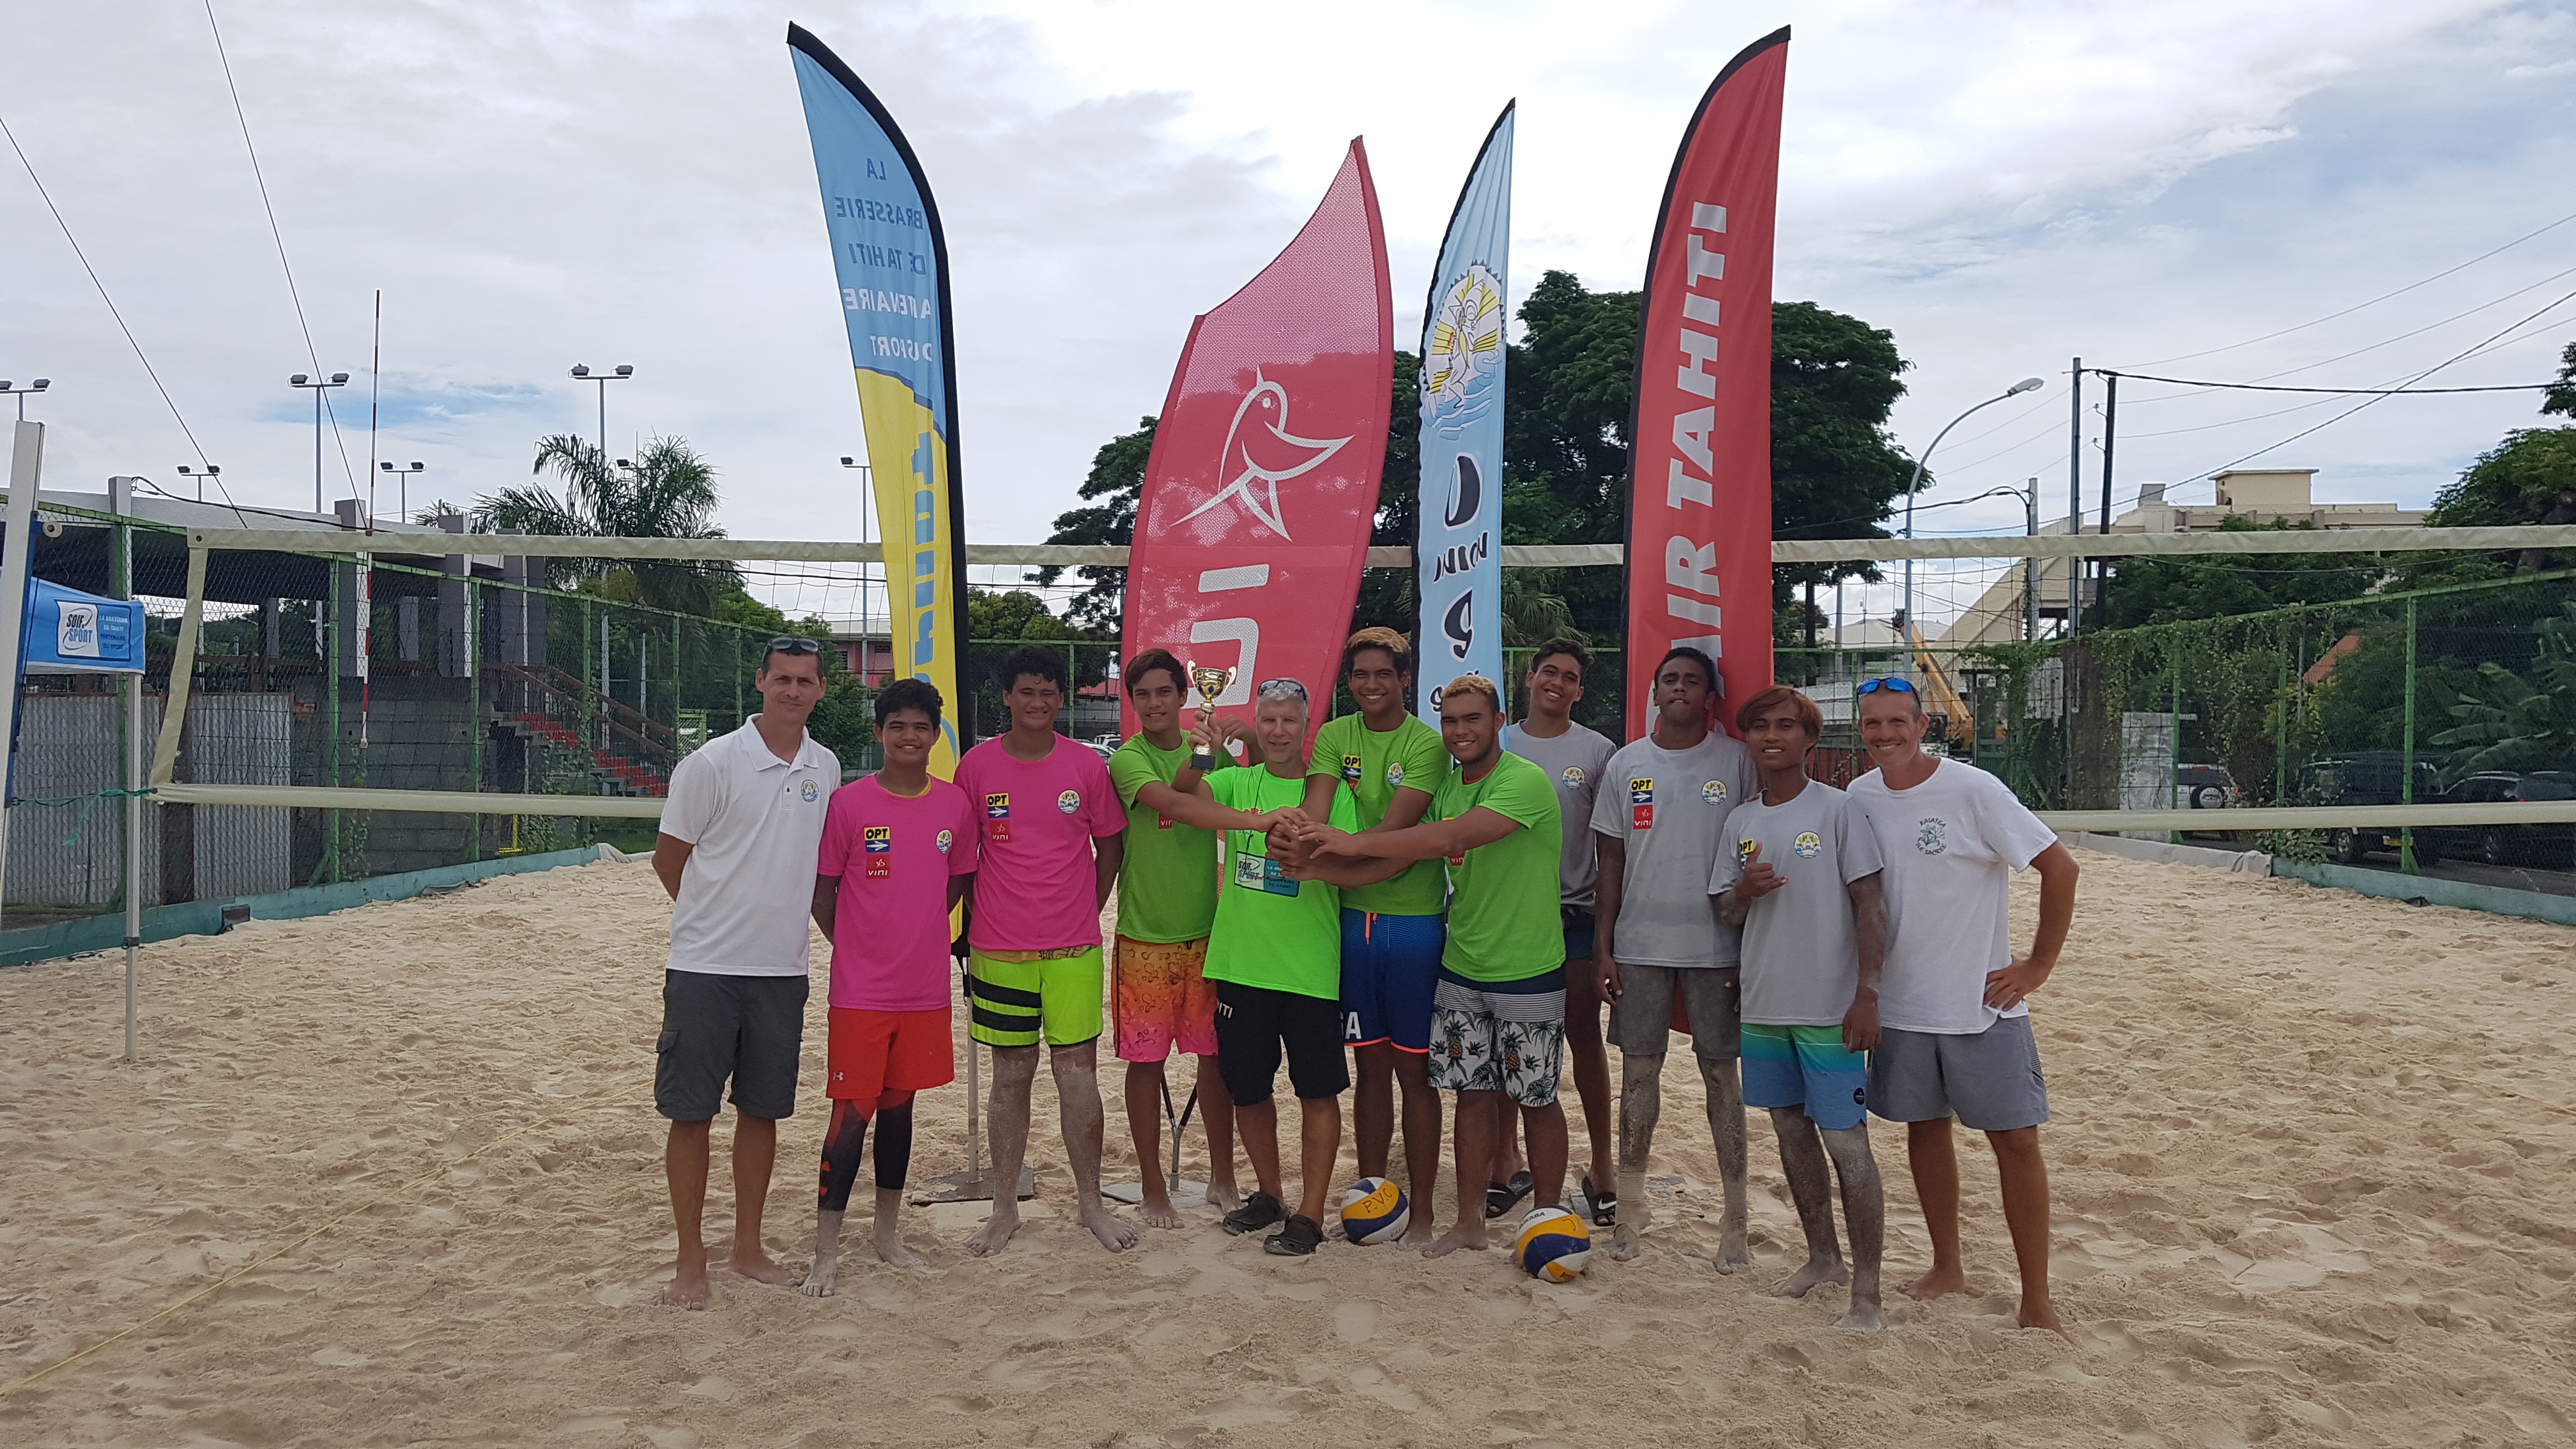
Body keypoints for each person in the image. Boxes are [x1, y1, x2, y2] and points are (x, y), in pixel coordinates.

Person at [1288, 675, 1565, 1259]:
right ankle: (1468, 1224)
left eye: (1472, 719)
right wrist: (1318, 871)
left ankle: (1547, 1218)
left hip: (1527, 967)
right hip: (1462, 962)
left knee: (1536, 1097)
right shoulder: (1446, 789)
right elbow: (1405, 856)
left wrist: (1349, 843)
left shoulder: (1524, 781)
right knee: (1471, 1095)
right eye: (1451, 721)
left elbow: (1447, 840)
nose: (1460, 731)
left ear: (1498, 720)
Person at [1847, 676, 2078, 1335]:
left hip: (1981, 1002)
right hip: (1903, 1004)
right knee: (1924, 1130)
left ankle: (2037, 1298)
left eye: (1898, 722)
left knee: (2016, 1142)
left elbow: (2060, 869)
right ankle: (1947, 1267)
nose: (1886, 734)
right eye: (1872, 724)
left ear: (1925, 726)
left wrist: (2037, 966)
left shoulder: (1973, 790)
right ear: (1859, 731)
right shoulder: (1858, 798)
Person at [648, 636, 839, 1308]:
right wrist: (713, 924)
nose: (792, 690)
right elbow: (668, 862)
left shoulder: (826, 767)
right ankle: (689, 1259)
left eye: (805, 680)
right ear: (759, 683)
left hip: (782, 972)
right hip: (705, 968)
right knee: (690, 1113)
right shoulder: (711, 764)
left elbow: (819, 875)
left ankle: (748, 1247)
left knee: (763, 1112)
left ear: (820, 691)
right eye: (781, 678)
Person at [1153, 680, 1356, 1254]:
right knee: (1249, 1091)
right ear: (1257, 724)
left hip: (1309, 968)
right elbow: (1182, 796)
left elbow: (1352, 851)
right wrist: (1203, 749)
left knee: (1317, 1093)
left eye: (1289, 721)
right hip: (1241, 966)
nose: (1278, 732)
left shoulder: (1330, 792)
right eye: (1268, 720)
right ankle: (1270, 1195)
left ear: (1305, 726)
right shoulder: (1239, 781)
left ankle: (1311, 1214)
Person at [1711, 684, 1890, 1331]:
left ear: (1810, 739)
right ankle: (1823, 1259)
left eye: (1786, 726)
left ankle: (1867, 1294)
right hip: (1763, 1004)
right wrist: (1744, 890)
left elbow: (1871, 904)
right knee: (1790, 1136)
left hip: (1829, 1008)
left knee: (1848, 1146)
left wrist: (1868, 991)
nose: (1772, 737)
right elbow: (1725, 912)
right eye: (1760, 727)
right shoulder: (1740, 821)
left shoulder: (1838, 811)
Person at [953, 645, 1133, 1256]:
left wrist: (1089, 904)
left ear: (1062, 699)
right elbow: (962, 859)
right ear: (1006, 697)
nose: (1038, 702)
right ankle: (1004, 1208)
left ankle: (1091, 1204)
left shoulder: (1087, 766)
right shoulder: (975, 767)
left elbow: (1111, 845)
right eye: (1026, 691)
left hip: (1073, 947)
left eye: (1049, 692)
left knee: (1078, 1076)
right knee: (1011, 1078)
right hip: (998, 949)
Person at [799, 678, 976, 1296]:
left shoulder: (954, 806)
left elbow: (954, 888)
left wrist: (919, 936)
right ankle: (826, 1250)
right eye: (897, 725)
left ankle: (886, 1235)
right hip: (861, 992)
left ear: (935, 736)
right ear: (880, 732)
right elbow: (823, 894)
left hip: (923, 989)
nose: (909, 736)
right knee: (850, 1117)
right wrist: (857, 947)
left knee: (901, 1113)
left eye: (920, 727)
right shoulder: (850, 804)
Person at [1590, 647, 1759, 1266]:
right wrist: (1604, 947)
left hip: (1718, 948)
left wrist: (1751, 950)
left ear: (1710, 697)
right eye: (1670, 680)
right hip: (1640, 946)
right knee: (1639, 1078)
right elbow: (1610, 863)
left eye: (1693, 681)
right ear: (1655, 692)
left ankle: (1736, 1221)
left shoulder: (1739, 761)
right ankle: (1629, 1215)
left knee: (1720, 1078)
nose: (1680, 689)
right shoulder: (1627, 763)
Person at [1299, 627, 1449, 1244]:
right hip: (1350, 922)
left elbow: (1396, 844)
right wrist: (1298, 840)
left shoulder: (1428, 745)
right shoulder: (1337, 735)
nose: (1370, 685)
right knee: (1369, 1066)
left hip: (1413, 925)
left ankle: (1425, 1211)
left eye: (1382, 674)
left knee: (1415, 1072)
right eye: (1360, 675)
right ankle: (1371, 1192)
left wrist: (1322, 863)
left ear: (1405, 678)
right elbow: (1314, 813)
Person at [1104, 647, 1242, 1227]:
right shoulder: (1127, 759)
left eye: (1165, 692)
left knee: (1215, 1062)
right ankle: (1154, 1187)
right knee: (1147, 1064)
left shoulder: (1210, 750)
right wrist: (1206, 750)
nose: (1155, 703)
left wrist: (1243, 741)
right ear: (1131, 702)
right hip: (1145, 937)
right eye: (1143, 695)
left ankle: (1223, 1176)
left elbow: (1254, 784)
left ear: (1185, 697)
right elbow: (1179, 803)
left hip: (1210, 933)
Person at [1503, 636, 1620, 1228]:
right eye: (1549, 671)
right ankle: (1507, 1161)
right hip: (1505, 918)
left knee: (1583, 1040)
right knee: (1506, 1043)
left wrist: (1605, 938)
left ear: (1579, 690)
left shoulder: (1598, 751)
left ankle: (1602, 1166)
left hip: (1572, 913)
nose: (1558, 682)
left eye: (1570, 677)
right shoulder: (1498, 742)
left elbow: (1609, 847)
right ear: (1530, 677)